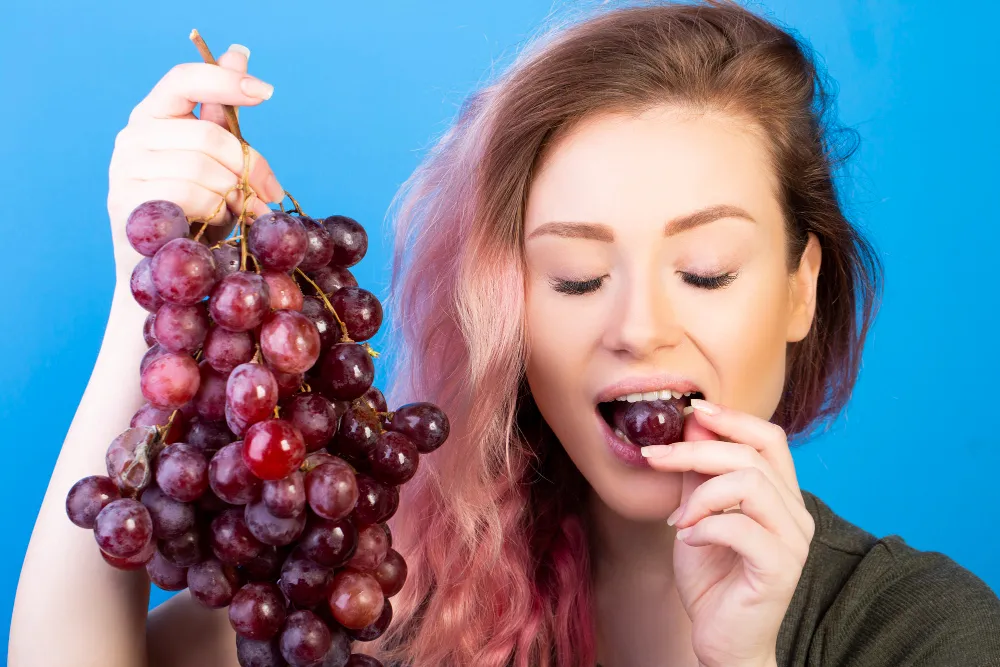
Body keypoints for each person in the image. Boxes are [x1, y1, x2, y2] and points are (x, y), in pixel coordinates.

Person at [10, 1, 1000, 666]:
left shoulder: (923, 631)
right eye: (575, 276)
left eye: (704, 271)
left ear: (797, 291)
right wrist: (157, 301)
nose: (639, 327)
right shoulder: (399, 582)